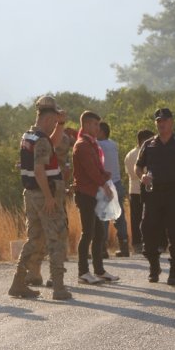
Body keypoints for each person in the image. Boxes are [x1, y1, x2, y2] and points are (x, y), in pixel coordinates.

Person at [8, 96, 72, 300]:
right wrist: (49, 197)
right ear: (47, 118)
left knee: (34, 240)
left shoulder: (29, 136)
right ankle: (59, 288)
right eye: (54, 120)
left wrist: (61, 124)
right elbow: (39, 170)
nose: (55, 123)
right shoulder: (41, 139)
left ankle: (18, 283)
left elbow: (50, 144)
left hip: (30, 194)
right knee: (56, 239)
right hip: (44, 195)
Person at [136, 108, 175, 285]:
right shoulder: (149, 144)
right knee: (148, 228)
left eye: (165, 120)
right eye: (159, 121)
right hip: (154, 192)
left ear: (172, 122)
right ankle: (154, 265)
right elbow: (138, 166)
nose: (162, 124)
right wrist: (141, 176)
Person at [73, 111, 119, 284]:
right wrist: (105, 185)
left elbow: (97, 168)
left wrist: (105, 176)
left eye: (98, 125)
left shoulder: (92, 144)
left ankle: (99, 270)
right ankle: (83, 272)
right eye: (94, 124)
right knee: (88, 233)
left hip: (94, 194)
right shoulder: (82, 145)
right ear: (85, 125)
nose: (97, 128)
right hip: (86, 194)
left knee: (99, 232)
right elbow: (91, 171)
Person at [97, 122, 129, 257]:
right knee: (119, 216)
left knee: (104, 217)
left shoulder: (99, 145)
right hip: (117, 182)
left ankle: (102, 248)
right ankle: (125, 245)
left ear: (102, 132)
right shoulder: (113, 145)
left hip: (106, 184)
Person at [125, 129, 154, 255]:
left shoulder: (129, 154)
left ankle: (136, 243)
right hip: (146, 188)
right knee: (148, 216)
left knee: (135, 218)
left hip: (133, 189)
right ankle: (149, 242)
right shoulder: (147, 152)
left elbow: (128, 172)